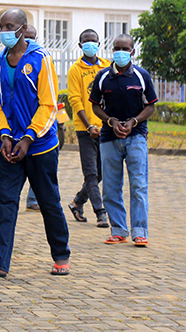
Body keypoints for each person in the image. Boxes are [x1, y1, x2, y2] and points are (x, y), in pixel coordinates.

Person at [0, 8, 70, 278]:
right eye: (1, 26)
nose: (4, 31)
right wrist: (4, 134)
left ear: (23, 29)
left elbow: (48, 105)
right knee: (5, 202)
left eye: (9, 26)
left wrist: (28, 137)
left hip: (39, 146)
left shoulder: (41, 60)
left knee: (48, 201)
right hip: (9, 147)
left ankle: (61, 255)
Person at [90, 33, 157, 247]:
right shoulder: (103, 77)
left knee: (138, 185)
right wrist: (110, 121)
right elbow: (95, 105)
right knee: (110, 187)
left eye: (125, 49)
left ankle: (140, 232)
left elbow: (150, 106)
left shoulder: (141, 75)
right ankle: (118, 230)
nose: (120, 52)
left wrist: (133, 122)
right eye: (117, 48)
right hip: (109, 137)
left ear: (132, 52)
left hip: (136, 137)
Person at [66, 29, 110, 228]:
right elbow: (75, 100)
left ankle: (77, 202)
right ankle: (100, 213)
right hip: (85, 130)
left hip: (106, 128)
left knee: (101, 172)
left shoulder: (108, 66)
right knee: (91, 172)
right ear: (80, 45)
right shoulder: (76, 70)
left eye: (93, 41)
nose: (90, 45)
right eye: (86, 42)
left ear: (99, 44)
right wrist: (89, 125)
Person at [23, 25, 40, 211]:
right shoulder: (5, 61)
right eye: (26, 36)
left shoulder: (41, 60)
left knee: (38, 165)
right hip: (17, 125)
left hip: (37, 124)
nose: (29, 40)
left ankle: (33, 199)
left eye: (32, 37)